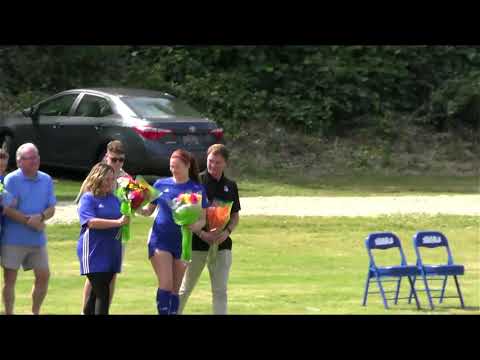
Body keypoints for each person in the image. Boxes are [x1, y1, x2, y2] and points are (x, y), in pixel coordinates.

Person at [138, 149, 207, 315]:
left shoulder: (197, 189)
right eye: (171, 166)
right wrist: (136, 206)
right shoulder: (160, 184)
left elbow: (202, 219)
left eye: (176, 166)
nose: (173, 170)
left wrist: (195, 226)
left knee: (175, 289)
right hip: (160, 239)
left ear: (187, 166)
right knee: (166, 284)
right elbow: (148, 211)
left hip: (183, 242)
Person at [178, 144, 240, 315]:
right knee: (185, 288)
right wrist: (202, 233)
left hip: (222, 245)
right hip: (197, 244)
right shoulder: (195, 182)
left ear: (225, 163)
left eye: (218, 162)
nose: (213, 165)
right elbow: (186, 216)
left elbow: (235, 216)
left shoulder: (231, 186)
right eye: (210, 161)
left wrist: (225, 233)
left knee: (220, 291)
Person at [1, 143, 56, 315]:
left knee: (43, 275)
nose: (34, 161)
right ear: (19, 162)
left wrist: (40, 217)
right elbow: (6, 209)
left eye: (36, 157)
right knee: (10, 279)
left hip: (37, 239)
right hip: (13, 239)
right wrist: (28, 221)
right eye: (29, 158)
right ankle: (9, 312)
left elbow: (51, 208)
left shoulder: (46, 179)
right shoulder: (11, 180)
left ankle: (35, 312)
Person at [76, 140, 129, 313]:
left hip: (112, 248)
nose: (110, 183)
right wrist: (117, 222)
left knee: (98, 293)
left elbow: (130, 207)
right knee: (102, 293)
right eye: (106, 180)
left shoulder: (120, 190)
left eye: (121, 160)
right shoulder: (89, 196)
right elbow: (89, 221)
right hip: (93, 250)